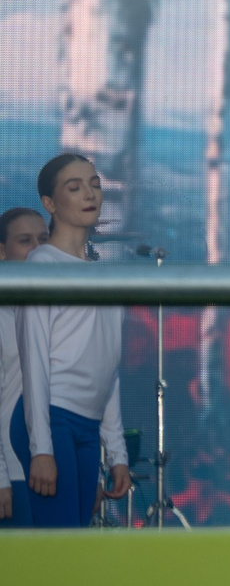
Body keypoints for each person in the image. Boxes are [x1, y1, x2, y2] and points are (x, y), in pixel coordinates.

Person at [12, 156, 132, 528]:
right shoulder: (42, 264)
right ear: (49, 203)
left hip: (87, 425)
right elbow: (33, 361)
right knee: (60, 542)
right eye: (74, 187)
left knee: (76, 539)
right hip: (51, 417)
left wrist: (117, 454)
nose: (89, 194)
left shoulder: (107, 277)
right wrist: (41, 448)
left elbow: (108, 369)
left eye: (94, 184)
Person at [1, 204, 44, 523]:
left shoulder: (59, 312)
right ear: (2, 251)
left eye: (43, 239)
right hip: (14, 476)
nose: (37, 249)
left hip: (60, 467)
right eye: (25, 240)